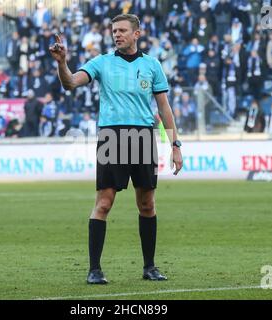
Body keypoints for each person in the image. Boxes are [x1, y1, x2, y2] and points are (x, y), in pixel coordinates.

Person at [49, 14, 183, 284]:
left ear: (137, 34)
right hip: (112, 137)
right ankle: (94, 270)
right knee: (104, 203)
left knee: (147, 204)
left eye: (122, 30)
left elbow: (164, 107)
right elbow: (70, 83)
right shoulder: (102, 62)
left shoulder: (152, 65)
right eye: (114, 31)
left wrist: (175, 144)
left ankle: (149, 267)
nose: (117, 35)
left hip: (144, 136)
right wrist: (63, 63)